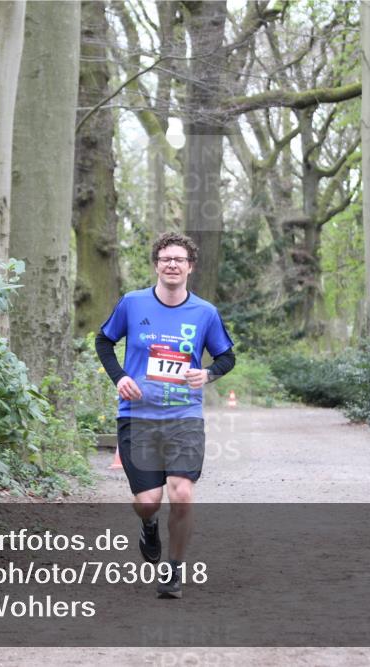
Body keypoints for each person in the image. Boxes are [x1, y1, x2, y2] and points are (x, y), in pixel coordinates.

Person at [95, 232, 235, 598]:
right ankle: (149, 526)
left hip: (183, 417)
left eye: (180, 259)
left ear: (190, 267)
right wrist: (120, 377)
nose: (172, 264)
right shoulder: (132, 303)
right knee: (147, 502)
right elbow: (104, 341)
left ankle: (173, 570)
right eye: (165, 258)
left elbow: (226, 357)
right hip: (137, 416)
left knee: (183, 493)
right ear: (156, 264)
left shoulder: (205, 312)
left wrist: (207, 373)